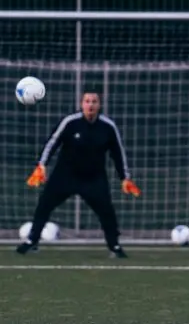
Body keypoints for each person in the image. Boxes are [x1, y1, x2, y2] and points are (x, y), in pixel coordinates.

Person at [16, 87, 141, 258]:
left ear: (99, 105)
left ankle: (115, 246)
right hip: (65, 176)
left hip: (94, 178)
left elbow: (118, 153)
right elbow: (52, 143)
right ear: (82, 104)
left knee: (106, 211)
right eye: (87, 101)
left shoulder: (108, 127)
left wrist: (125, 177)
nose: (91, 105)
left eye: (94, 102)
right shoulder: (70, 122)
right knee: (44, 205)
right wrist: (41, 165)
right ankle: (32, 241)